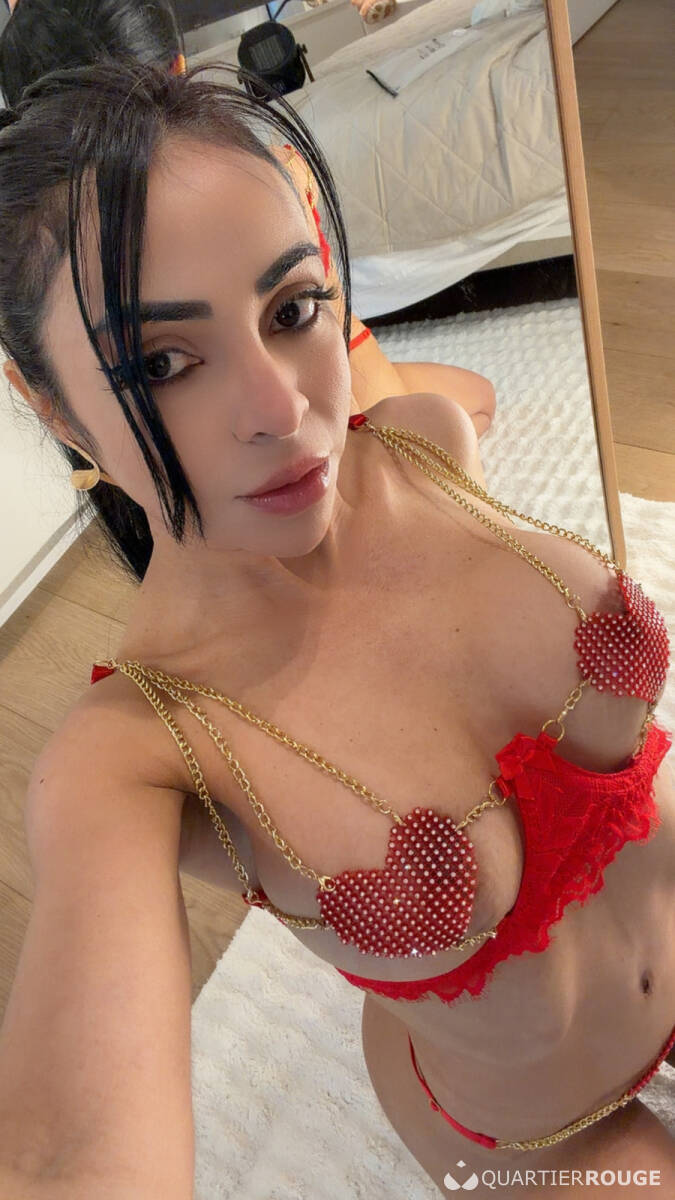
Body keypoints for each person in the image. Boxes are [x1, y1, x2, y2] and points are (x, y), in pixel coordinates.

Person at [0, 53, 673, 1200]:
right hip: (539, 1133)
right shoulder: (131, 758)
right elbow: (69, 1152)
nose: (283, 409)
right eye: (164, 361)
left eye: (291, 308)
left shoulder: (426, 443)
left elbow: (443, 408)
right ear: (53, 407)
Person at [0, 0, 497, 438]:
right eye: (160, 365)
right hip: (342, 377)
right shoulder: (272, 167)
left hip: (327, 386)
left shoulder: (38, 256)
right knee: (475, 403)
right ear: (178, 67)